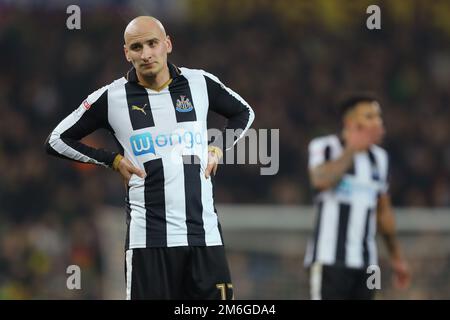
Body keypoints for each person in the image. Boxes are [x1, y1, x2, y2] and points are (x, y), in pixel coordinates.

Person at [45, 16, 254, 300]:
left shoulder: (199, 83)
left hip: (205, 237)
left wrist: (218, 147)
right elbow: (57, 140)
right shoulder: (112, 97)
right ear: (126, 53)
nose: (145, 54)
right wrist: (112, 160)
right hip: (149, 241)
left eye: (152, 43)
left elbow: (244, 112)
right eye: (136, 47)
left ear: (167, 44)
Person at [304, 95, 410, 299]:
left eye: (378, 116)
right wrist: (352, 148)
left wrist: (397, 258)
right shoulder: (325, 147)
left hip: (369, 265)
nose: (377, 122)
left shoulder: (380, 158)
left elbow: (383, 211)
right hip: (328, 260)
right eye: (369, 116)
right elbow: (320, 180)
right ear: (350, 122)